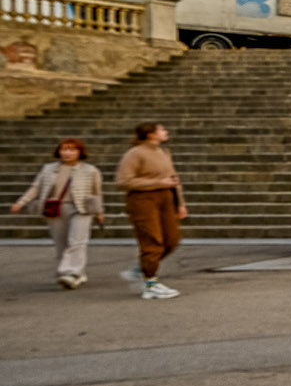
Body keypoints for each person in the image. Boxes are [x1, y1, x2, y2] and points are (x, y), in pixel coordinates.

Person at [12, 137, 105, 289]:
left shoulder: (90, 170)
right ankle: (76, 273)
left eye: (72, 149)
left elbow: (97, 192)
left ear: (80, 152)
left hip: (81, 209)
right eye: (64, 149)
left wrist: (99, 212)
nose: (67, 153)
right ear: (59, 151)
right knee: (61, 243)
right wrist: (20, 202)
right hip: (54, 209)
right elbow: (36, 187)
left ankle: (71, 273)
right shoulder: (48, 168)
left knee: (77, 242)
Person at [113, 122, 186, 299]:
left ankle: (141, 269)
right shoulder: (135, 153)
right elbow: (123, 181)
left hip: (166, 198)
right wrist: (157, 183)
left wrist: (180, 203)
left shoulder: (163, 152)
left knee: (171, 240)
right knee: (152, 240)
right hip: (143, 200)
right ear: (150, 134)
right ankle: (151, 284)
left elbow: (173, 178)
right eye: (162, 130)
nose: (166, 132)